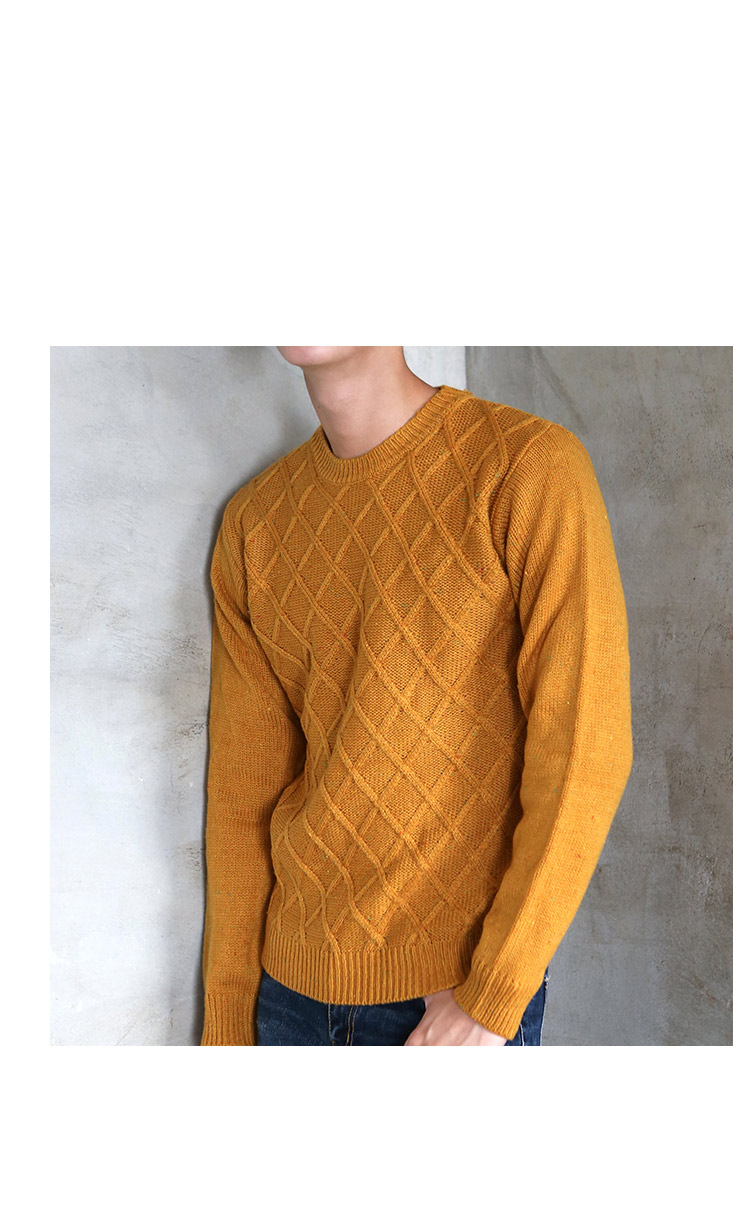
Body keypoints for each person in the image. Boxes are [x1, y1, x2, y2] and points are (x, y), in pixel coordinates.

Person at [199, 346, 633, 1046]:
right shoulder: (256, 522)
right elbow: (241, 797)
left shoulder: (528, 467)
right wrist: (226, 1021)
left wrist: (492, 995)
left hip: (447, 1000)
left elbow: (586, 749)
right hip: (285, 994)